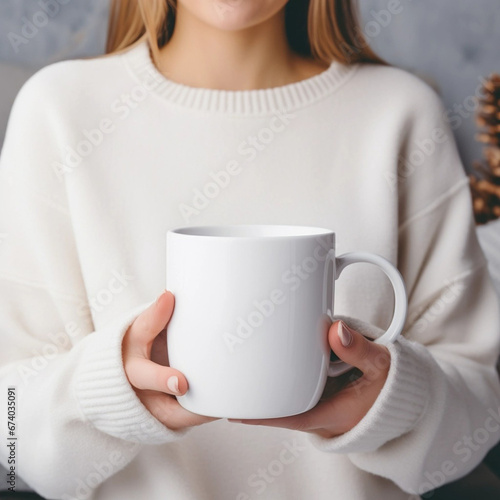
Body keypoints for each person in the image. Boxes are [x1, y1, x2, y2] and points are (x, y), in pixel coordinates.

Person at [1, 1, 499, 499]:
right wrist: (102, 394)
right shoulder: (58, 111)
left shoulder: (401, 114)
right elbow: (10, 434)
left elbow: (476, 419)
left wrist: (394, 402)